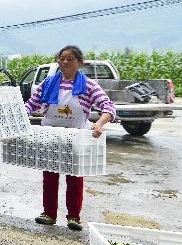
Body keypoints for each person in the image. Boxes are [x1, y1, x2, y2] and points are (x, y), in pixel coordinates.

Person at [25, 45, 115, 230]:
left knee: (75, 177)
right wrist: (20, 116)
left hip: (76, 136)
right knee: (50, 175)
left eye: (70, 59)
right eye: (62, 58)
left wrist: (99, 123)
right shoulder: (48, 83)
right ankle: (48, 213)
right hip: (52, 134)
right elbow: (31, 105)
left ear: (79, 63)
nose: (65, 62)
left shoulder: (89, 85)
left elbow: (108, 107)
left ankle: (74, 216)